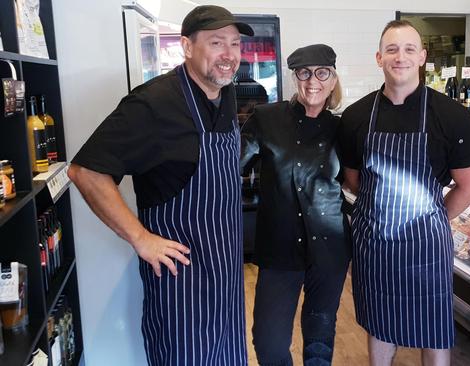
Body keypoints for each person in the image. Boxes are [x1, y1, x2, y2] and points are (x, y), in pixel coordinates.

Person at [67, 5, 253, 365]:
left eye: (235, 44)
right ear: (186, 46)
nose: (229, 55)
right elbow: (85, 171)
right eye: (217, 43)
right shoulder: (152, 103)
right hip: (180, 280)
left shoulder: (224, 93)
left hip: (227, 273)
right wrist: (141, 238)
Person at [338, 20, 470, 366]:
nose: (399, 57)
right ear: (379, 58)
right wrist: (384, 214)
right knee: (380, 323)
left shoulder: (452, 117)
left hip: (426, 246)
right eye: (391, 49)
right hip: (374, 244)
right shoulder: (356, 116)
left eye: (408, 49)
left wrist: (428, 219)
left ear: (421, 57)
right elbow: (353, 181)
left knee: (432, 326)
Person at [240, 44, 351, 366]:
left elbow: (356, 179)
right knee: (268, 342)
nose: (312, 80)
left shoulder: (341, 128)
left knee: (319, 340)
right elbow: (231, 164)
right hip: (279, 248)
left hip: (329, 249)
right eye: (304, 72)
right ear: (294, 78)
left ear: (332, 79)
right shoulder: (266, 118)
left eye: (321, 73)